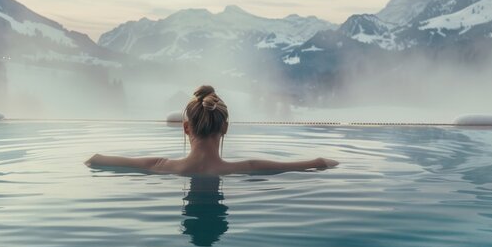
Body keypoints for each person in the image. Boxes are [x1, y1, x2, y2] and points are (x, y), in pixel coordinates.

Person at [84, 85, 339, 175]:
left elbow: (95, 160)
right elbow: (319, 163)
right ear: (225, 127)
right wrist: (323, 161)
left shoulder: (159, 166)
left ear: (186, 128)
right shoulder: (248, 168)